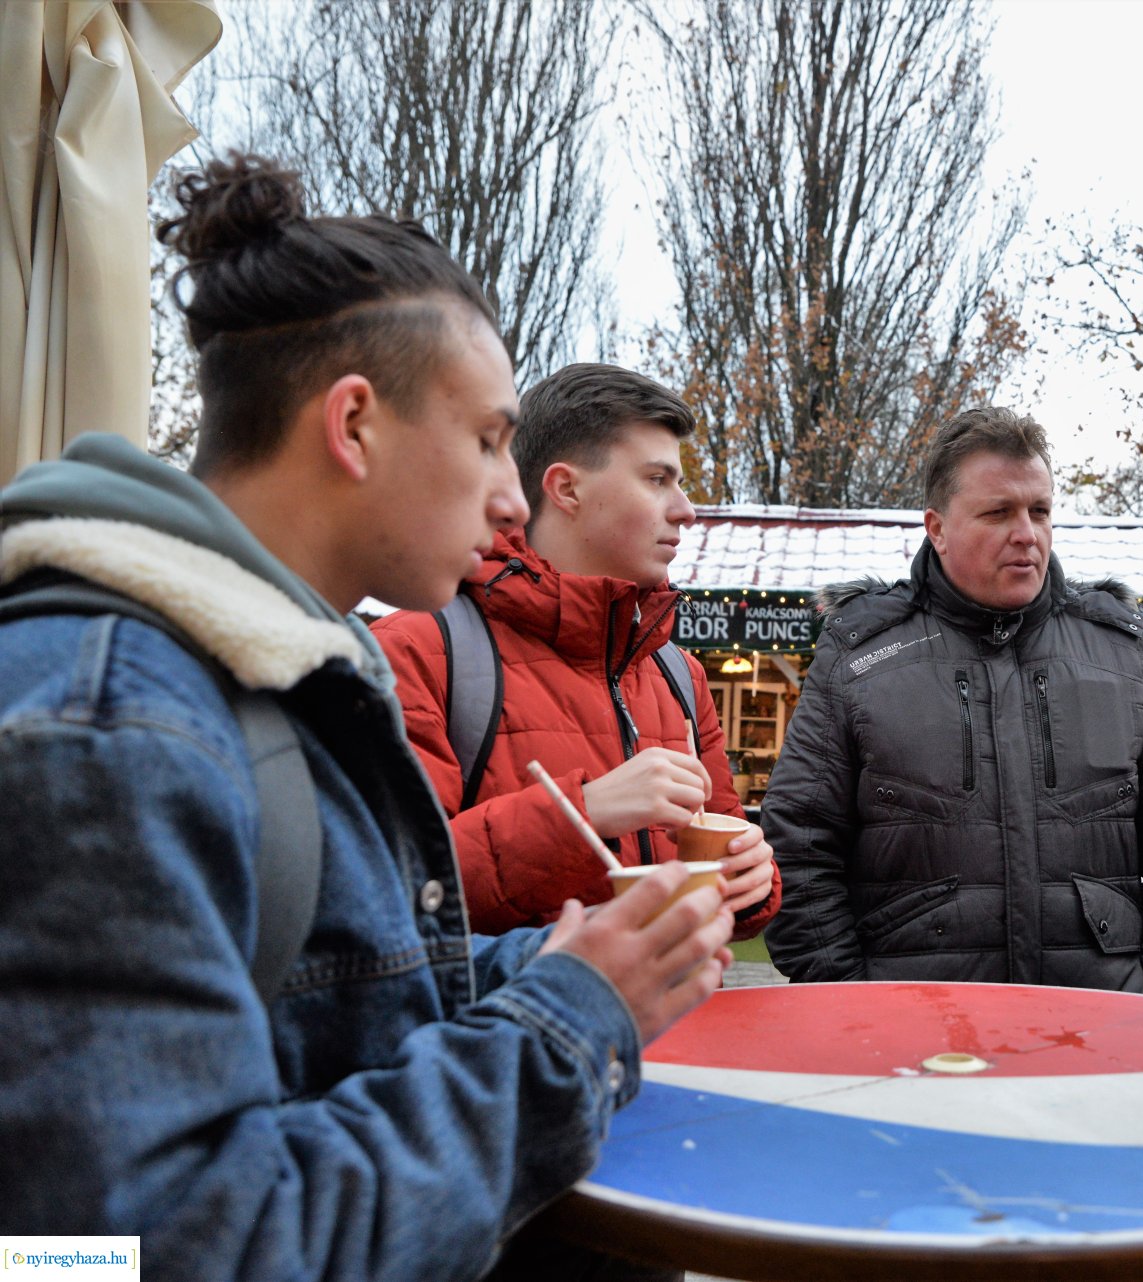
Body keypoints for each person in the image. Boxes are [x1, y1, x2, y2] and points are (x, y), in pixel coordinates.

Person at [0, 155, 734, 1280]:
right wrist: (566, 1026)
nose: (510, 495)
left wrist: (556, 961)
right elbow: (144, 1252)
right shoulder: (113, 727)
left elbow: (330, 1015)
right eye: (491, 439)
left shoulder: (270, 679)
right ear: (353, 424)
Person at [761, 406, 1143, 997]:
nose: (1027, 533)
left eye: (1040, 511)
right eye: (998, 512)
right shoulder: (858, 658)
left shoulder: (1121, 652)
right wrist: (852, 1001)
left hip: (1103, 1026)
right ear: (937, 527)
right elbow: (797, 849)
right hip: (913, 1034)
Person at [373, 364, 780, 937]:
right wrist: (583, 811)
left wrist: (751, 878)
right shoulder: (416, 650)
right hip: (505, 1027)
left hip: (679, 1022)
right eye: (658, 479)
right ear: (566, 488)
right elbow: (384, 887)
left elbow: (728, 854)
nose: (686, 509)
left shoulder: (677, 673)